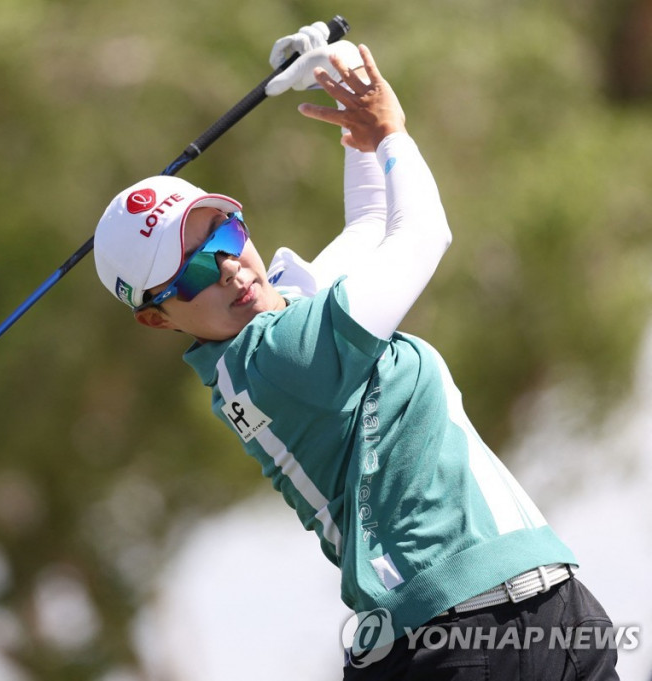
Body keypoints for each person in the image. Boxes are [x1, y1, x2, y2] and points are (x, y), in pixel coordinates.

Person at [92, 30, 620, 681]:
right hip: (456, 644)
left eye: (227, 234)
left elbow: (369, 221)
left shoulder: (267, 334)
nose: (229, 268)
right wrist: (391, 130)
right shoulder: (285, 352)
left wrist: (336, 74)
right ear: (156, 316)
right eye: (195, 267)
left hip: (548, 610)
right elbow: (423, 232)